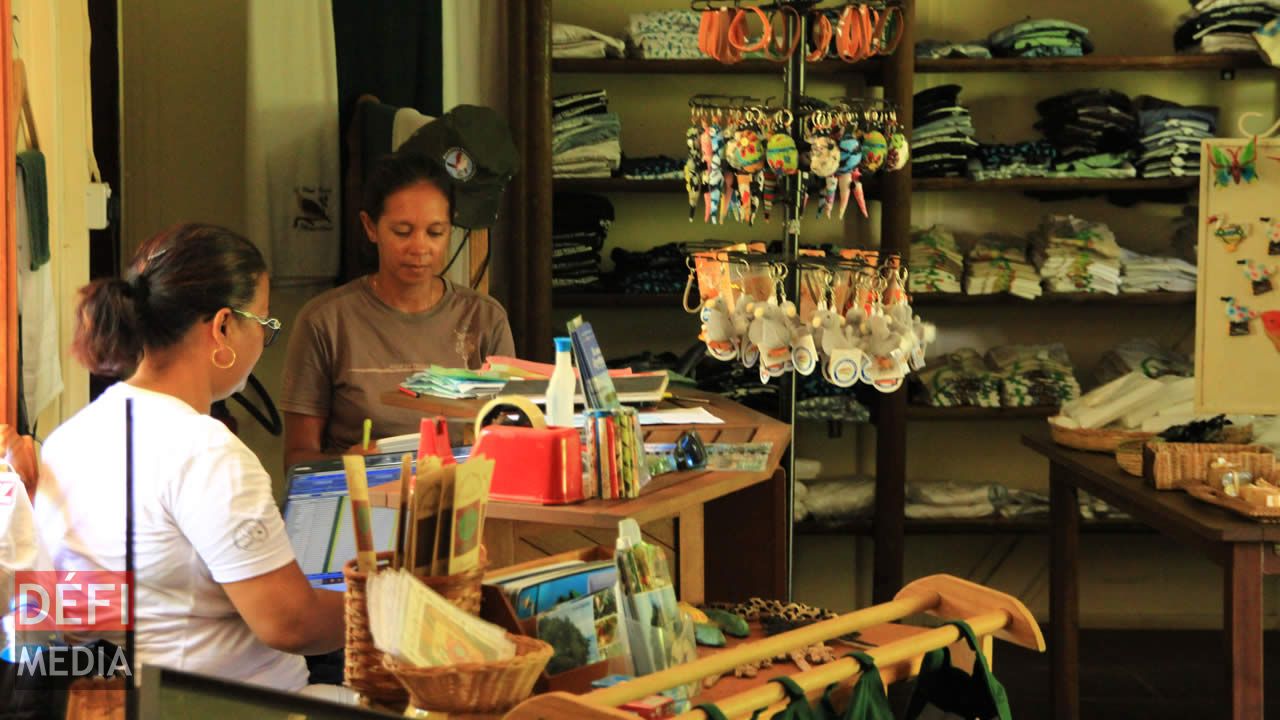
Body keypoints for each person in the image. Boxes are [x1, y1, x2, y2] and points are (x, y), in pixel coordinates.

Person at [34, 224, 344, 693]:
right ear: (222, 327)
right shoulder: (207, 452)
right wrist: (397, 608)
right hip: (226, 703)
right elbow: (291, 624)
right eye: (263, 323)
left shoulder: (67, 438)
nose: (263, 340)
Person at [281, 151, 515, 468]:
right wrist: (346, 463)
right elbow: (297, 459)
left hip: (461, 501)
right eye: (402, 232)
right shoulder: (326, 321)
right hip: (362, 504)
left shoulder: (484, 318)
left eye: (436, 233)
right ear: (371, 227)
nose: (419, 248)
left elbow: (512, 441)